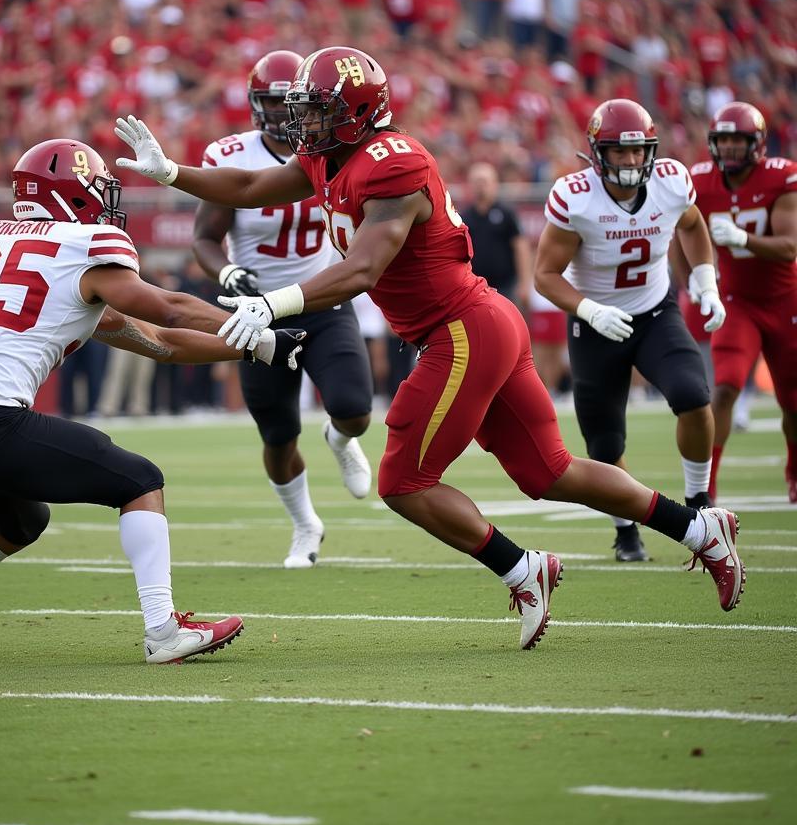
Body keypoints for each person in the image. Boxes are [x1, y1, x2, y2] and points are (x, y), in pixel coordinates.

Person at [114, 46, 746, 652]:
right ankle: (697, 527)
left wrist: (271, 304)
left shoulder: (393, 164)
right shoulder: (331, 153)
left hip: (461, 329)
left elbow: (361, 270)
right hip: (475, 324)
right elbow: (250, 185)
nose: (301, 121)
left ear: (357, 111)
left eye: (317, 109)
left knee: (403, 481)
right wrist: (172, 172)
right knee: (549, 472)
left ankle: (522, 569)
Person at [0, 138, 304, 663]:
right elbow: (170, 310)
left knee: (22, 522)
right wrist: (256, 322)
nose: (105, 201)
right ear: (73, 194)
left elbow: (159, 343)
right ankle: (163, 631)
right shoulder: (84, 249)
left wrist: (254, 349)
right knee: (140, 481)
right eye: (96, 190)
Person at [191, 50, 374, 568]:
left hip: (320, 297)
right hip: (257, 313)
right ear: (254, 104)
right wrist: (226, 271)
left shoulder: (335, 149)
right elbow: (205, 238)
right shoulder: (232, 153)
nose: (279, 113)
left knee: (355, 410)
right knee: (277, 434)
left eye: (287, 102)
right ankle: (305, 525)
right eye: (269, 102)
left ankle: (339, 439)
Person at [534, 99, 726, 562]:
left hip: (655, 310)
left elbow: (693, 226)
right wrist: (588, 309)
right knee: (604, 443)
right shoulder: (575, 197)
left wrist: (705, 279)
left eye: (640, 152)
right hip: (595, 325)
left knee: (694, 397)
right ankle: (626, 532)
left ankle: (700, 507)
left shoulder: (672, 183)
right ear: (599, 153)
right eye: (621, 152)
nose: (632, 161)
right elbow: (545, 275)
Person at [689, 102, 797, 502]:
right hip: (736, 299)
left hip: (785, 298)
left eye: (739, 140)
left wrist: (743, 239)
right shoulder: (701, 181)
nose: (731, 148)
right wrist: (691, 279)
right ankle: (707, 487)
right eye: (724, 140)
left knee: (792, 400)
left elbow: (790, 247)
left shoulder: (781, 176)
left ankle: (795, 466)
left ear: (757, 143)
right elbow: (682, 232)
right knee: (726, 386)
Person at [460, 161, 532, 310]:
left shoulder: (507, 214)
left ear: (495, 184)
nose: (481, 186)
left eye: (484, 181)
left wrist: (524, 283)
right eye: (477, 182)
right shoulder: (464, 217)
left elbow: (521, 248)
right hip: (475, 288)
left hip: (505, 286)